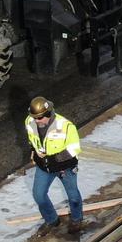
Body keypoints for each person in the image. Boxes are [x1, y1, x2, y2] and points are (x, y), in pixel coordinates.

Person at [25, 95, 85, 234]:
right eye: (34, 117)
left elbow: (74, 148)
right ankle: (52, 220)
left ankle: (77, 219)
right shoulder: (30, 122)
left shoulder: (65, 126)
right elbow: (31, 139)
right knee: (39, 195)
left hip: (65, 168)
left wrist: (54, 159)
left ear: (48, 113)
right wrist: (34, 150)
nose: (37, 121)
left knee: (73, 197)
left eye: (40, 118)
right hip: (44, 167)